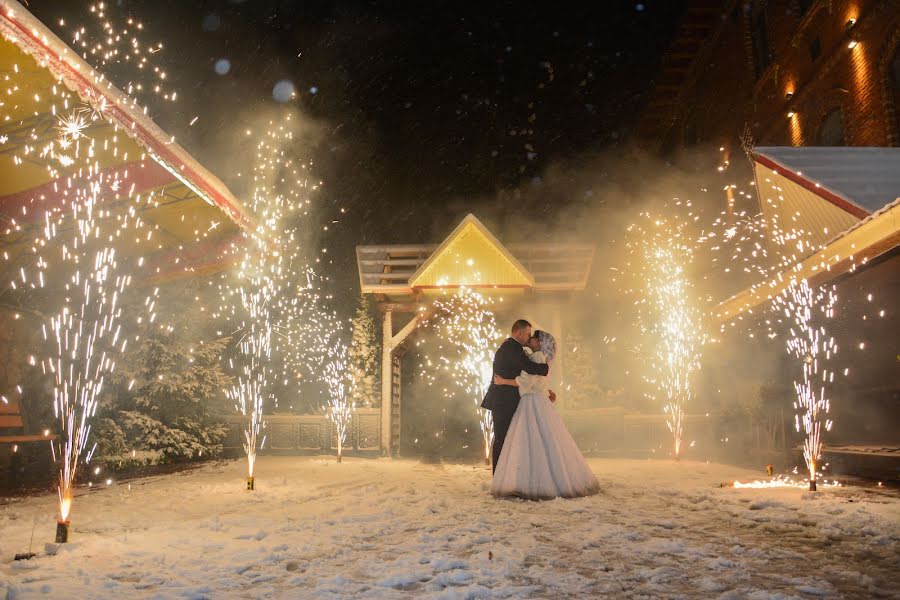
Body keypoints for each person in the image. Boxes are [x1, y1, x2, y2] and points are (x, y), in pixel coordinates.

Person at [491, 330, 600, 499]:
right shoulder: (540, 357)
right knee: (547, 439)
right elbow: (538, 383)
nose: (530, 339)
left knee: (530, 440)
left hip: (531, 402)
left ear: (539, 343)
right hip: (537, 399)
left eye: (533, 338)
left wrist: (502, 381)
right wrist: (547, 391)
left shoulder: (537, 357)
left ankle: (528, 480)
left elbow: (527, 381)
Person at [481, 319, 550, 473]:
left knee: (506, 438)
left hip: (505, 400)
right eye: (527, 334)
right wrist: (546, 368)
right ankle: (499, 477)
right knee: (502, 438)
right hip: (503, 401)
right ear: (519, 333)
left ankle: (503, 475)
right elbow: (528, 367)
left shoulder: (512, 346)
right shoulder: (512, 348)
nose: (529, 337)